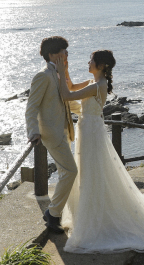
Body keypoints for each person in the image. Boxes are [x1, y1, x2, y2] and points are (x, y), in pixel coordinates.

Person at [53, 50, 144, 253]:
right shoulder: (92, 83)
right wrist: (65, 70)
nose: (88, 62)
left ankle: (97, 219)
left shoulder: (97, 86)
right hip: (87, 130)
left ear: (101, 65)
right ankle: (91, 214)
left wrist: (59, 70)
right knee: (89, 172)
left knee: (93, 172)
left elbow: (67, 95)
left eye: (91, 61)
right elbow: (69, 86)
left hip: (91, 133)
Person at [25, 36, 88, 233]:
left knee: (64, 172)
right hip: (52, 133)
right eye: (63, 51)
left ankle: (57, 214)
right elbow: (31, 107)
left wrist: (86, 112)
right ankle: (53, 214)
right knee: (71, 171)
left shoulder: (59, 73)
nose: (67, 54)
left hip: (65, 131)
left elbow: (66, 101)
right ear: (52, 54)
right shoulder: (43, 76)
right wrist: (33, 132)